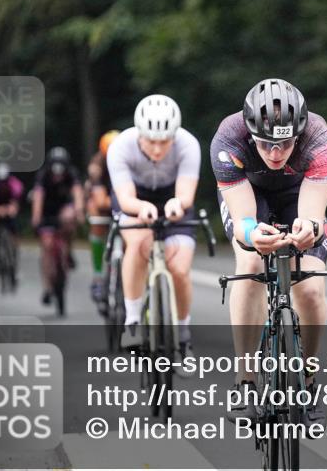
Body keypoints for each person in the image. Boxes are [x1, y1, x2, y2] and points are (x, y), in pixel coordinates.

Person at [210, 78, 327, 428]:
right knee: (251, 262)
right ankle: (246, 380)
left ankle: (309, 381)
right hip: (250, 195)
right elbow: (242, 222)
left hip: (299, 193)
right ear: (251, 132)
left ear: (300, 132)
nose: (276, 152)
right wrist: (253, 233)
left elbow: (312, 216)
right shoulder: (228, 138)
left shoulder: (321, 141)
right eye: (266, 144)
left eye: (285, 143)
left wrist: (307, 229)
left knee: (310, 288)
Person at [108, 95, 201, 369]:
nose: (158, 149)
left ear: (175, 135)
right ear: (139, 134)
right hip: (136, 198)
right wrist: (139, 207)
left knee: (180, 269)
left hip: (174, 199)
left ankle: (183, 335)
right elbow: (125, 198)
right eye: (151, 141)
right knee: (139, 243)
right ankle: (133, 320)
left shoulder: (188, 144)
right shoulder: (121, 146)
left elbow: (186, 195)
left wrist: (178, 204)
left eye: (165, 141)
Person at [31, 147, 85, 306]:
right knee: (47, 247)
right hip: (47, 213)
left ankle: (68, 250)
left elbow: (77, 193)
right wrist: (36, 217)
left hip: (64, 210)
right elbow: (38, 197)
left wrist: (80, 212)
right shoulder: (43, 176)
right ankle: (47, 287)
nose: (58, 175)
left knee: (69, 218)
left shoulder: (72, 174)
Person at [87, 130, 120, 310]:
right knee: (97, 220)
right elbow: (100, 201)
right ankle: (98, 276)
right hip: (106, 206)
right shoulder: (97, 169)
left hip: (122, 203)